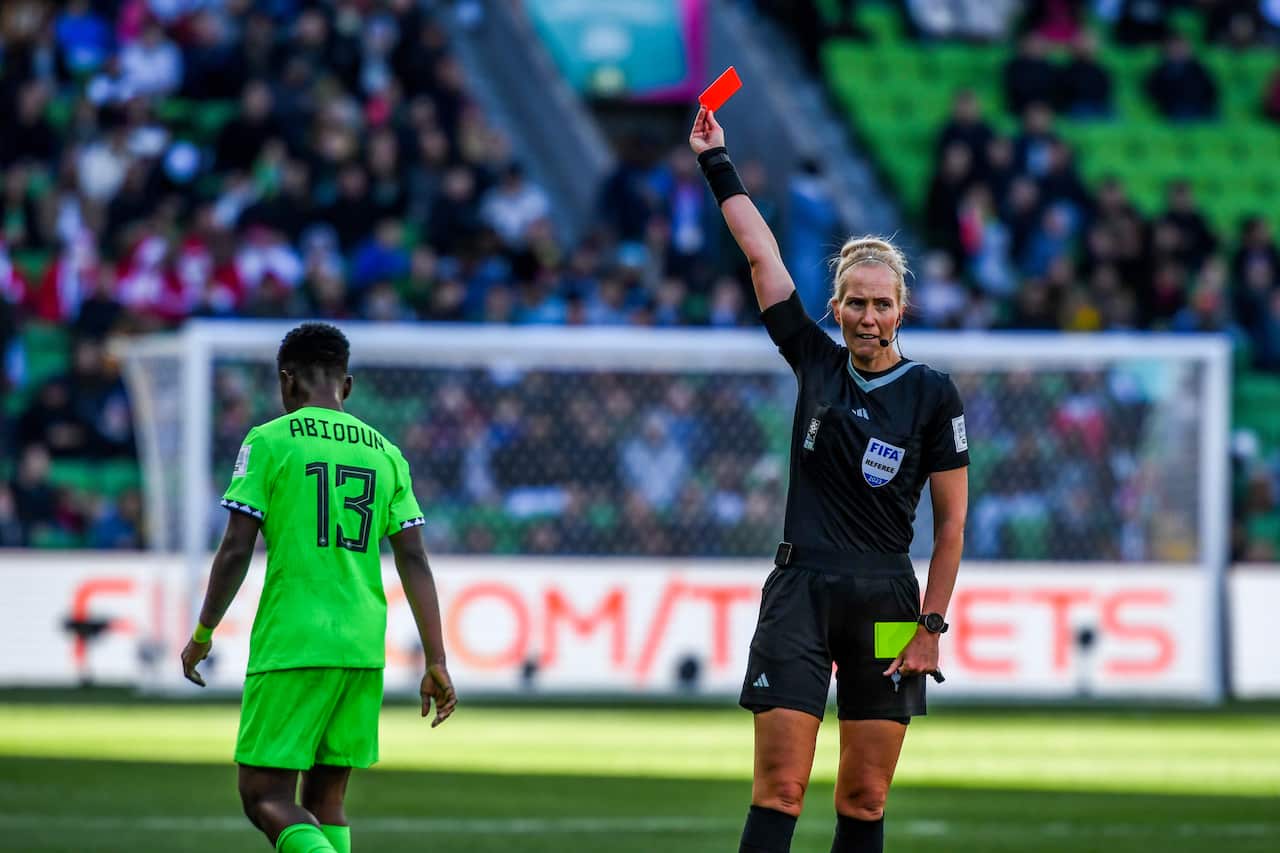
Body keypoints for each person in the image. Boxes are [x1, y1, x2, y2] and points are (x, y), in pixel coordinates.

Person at [689, 107, 969, 853]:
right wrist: (718, 162)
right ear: (835, 307)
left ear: (900, 308)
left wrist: (930, 627)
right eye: (855, 301)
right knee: (779, 788)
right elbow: (762, 256)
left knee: (865, 796)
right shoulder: (814, 360)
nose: (868, 316)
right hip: (800, 594)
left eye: (881, 303)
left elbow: (952, 528)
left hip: (887, 598)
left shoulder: (933, 393)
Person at [180, 322, 456, 853]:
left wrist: (203, 630)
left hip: (295, 640)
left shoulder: (268, 440)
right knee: (326, 801)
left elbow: (237, 547)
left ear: (286, 382)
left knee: (264, 795)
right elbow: (414, 559)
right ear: (345, 386)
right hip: (360, 644)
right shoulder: (386, 452)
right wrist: (436, 659)